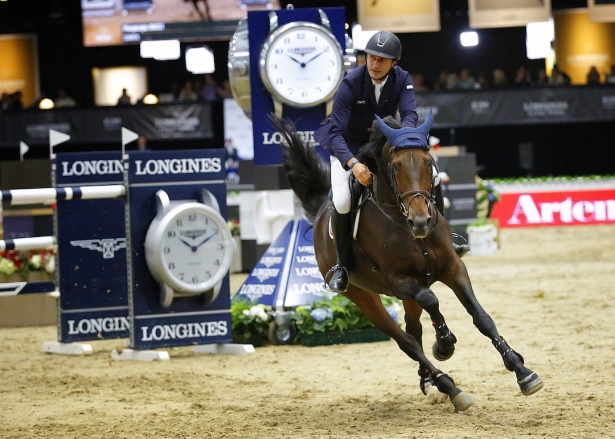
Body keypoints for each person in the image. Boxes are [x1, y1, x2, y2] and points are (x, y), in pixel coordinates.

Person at [314, 31, 468, 294]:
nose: (374, 64)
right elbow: (336, 132)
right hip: (347, 147)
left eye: (382, 60)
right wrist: (353, 164)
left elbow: (409, 115)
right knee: (342, 200)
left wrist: (404, 141)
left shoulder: (403, 80)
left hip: (383, 145)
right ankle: (342, 264)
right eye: (371, 58)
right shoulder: (350, 83)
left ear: (394, 63)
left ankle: (446, 239)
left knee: (431, 177)